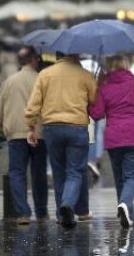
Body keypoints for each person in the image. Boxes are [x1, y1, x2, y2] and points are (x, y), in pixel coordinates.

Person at [25, 52, 97, 228]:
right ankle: (67, 205)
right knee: (75, 171)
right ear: (74, 54)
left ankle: (60, 214)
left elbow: (33, 104)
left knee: (58, 172)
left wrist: (31, 127)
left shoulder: (45, 74)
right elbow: (94, 100)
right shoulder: (84, 74)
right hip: (77, 127)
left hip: (52, 128)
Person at [89, 54, 134, 228]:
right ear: (126, 64)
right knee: (132, 175)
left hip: (114, 137)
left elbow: (97, 115)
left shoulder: (104, 88)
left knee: (120, 177)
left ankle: (126, 215)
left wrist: (96, 88)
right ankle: (125, 205)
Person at [0, 46, 48, 225]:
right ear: (34, 60)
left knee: (17, 173)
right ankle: (42, 212)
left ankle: (23, 213)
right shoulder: (42, 79)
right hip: (39, 133)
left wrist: (1, 129)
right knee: (39, 173)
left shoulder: (9, 82)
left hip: (15, 133)